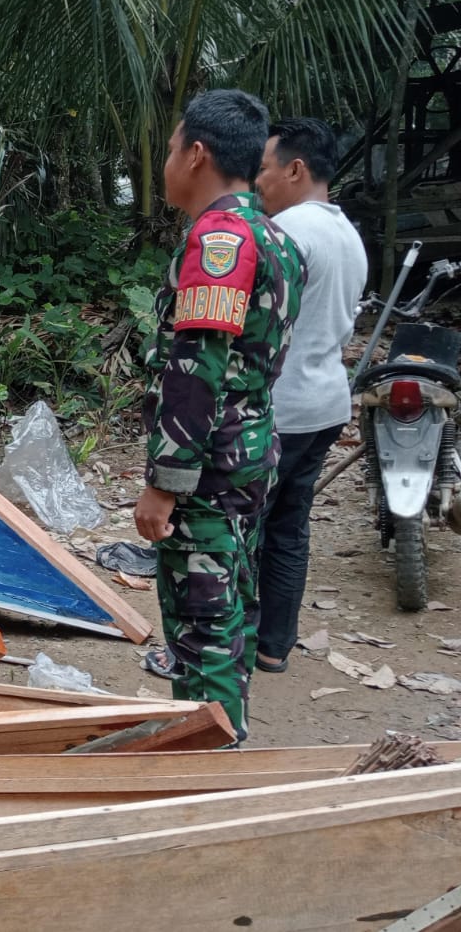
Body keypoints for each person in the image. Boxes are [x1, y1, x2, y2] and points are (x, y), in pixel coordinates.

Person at [134, 89, 304, 743]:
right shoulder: (274, 236)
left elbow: (197, 370)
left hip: (208, 472)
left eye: (171, 148)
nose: (167, 162)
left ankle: (209, 767)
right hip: (249, 455)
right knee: (231, 616)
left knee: (202, 634)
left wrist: (164, 484)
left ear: (196, 154)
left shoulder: (221, 239)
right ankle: (228, 743)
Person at [251, 118, 367, 673]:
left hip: (281, 408)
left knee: (239, 530)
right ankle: (274, 645)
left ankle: (225, 647)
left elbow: (256, 328)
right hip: (326, 403)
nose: (257, 181)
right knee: (289, 528)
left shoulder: (286, 232)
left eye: (264, 168)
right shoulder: (347, 233)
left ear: (295, 169)